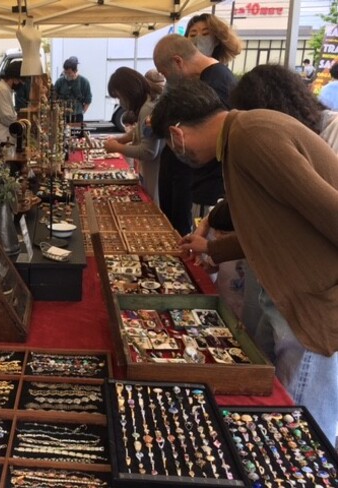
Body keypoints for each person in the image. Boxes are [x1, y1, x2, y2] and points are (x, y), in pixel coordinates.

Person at [152, 78, 338, 444]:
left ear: (177, 135)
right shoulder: (241, 137)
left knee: (301, 435)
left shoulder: (252, 136)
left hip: (314, 306)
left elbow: (327, 212)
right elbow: (277, 226)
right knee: (280, 421)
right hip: (295, 296)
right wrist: (213, 250)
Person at [153, 34, 236, 226]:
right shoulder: (210, 77)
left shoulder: (216, 83)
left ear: (178, 62)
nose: (166, 80)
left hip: (205, 186)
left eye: (164, 73)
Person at [104, 67, 164, 202]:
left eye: (119, 97)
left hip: (156, 171)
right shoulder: (147, 103)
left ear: (128, 92)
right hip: (151, 170)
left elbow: (148, 152)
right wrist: (123, 139)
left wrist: (117, 148)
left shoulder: (147, 108)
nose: (120, 102)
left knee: (153, 203)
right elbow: (140, 129)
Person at [53, 56, 92, 124]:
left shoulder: (84, 82)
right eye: (65, 72)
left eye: (69, 73)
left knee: (77, 130)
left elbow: (88, 99)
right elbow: (53, 97)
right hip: (62, 115)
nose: (67, 75)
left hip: (77, 115)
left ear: (75, 71)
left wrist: (82, 111)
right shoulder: (59, 81)